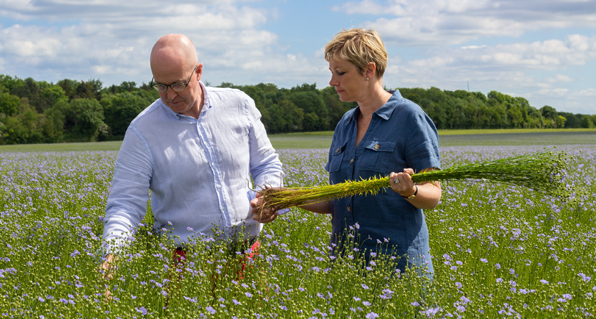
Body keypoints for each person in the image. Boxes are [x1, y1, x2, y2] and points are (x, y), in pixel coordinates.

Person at [261, 28, 441, 277]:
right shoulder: (345, 124)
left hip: (397, 268)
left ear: (369, 70)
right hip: (345, 265)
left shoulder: (409, 117)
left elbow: (433, 195)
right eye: (332, 73)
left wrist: (411, 191)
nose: (332, 82)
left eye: (341, 73)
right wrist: (289, 197)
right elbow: (337, 200)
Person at [101, 34, 282, 270]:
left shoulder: (239, 104)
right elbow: (125, 204)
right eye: (161, 86)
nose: (170, 95)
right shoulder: (142, 131)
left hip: (248, 253)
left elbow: (266, 164)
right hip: (184, 264)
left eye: (178, 84)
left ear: (198, 72)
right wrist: (111, 257)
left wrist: (267, 198)